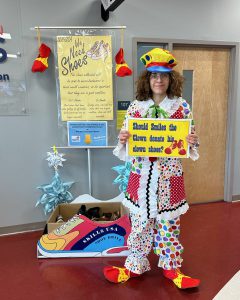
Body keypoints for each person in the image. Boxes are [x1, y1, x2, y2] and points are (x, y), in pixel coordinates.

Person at [103, 48, 200, 289]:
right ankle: (134, 265)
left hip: (169, 176)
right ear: (147, 79)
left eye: (164, 75)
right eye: (154, 75)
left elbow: (189, 140)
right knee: (140, 223)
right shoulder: (136, 108)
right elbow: (125, 143)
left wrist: (192, 142)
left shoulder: (181, 107)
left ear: (171, 79)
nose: (159, 80)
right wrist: (123, 139)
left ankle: (170, 266)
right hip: (142, 175)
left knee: (169, 224)